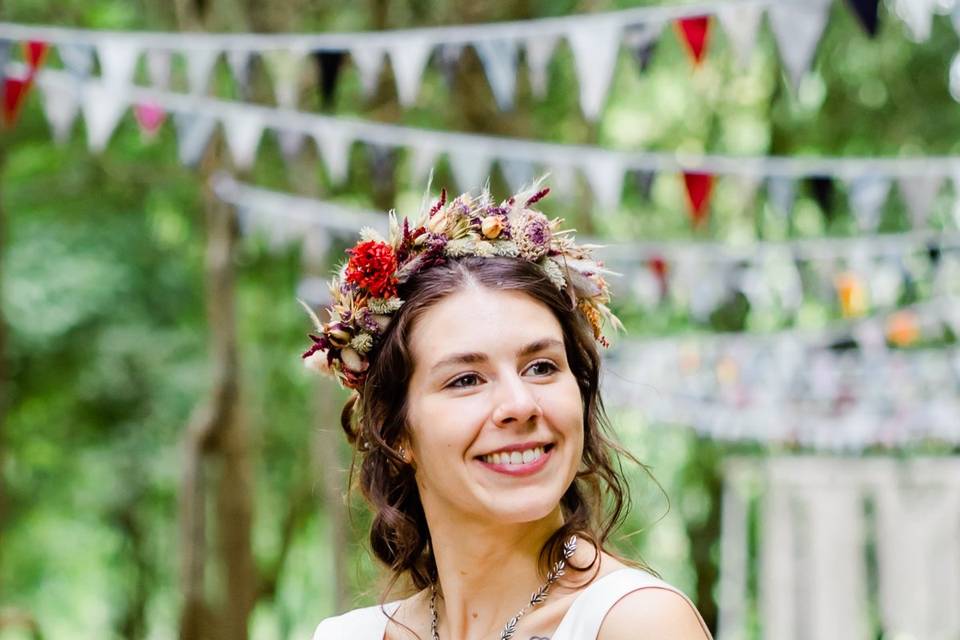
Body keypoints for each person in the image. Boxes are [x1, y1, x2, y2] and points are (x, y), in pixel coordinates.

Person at [302, 181, 712, 639]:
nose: (520, 405)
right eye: (466, 380)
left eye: (540, 367)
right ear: (395, 431)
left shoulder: (637, 623)